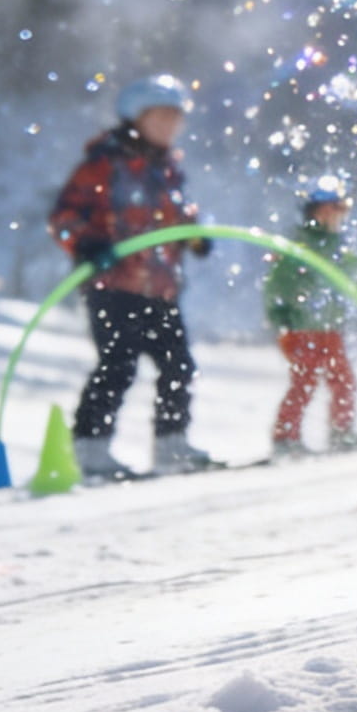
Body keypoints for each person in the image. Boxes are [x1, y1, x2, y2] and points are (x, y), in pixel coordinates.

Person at [48, 73, 216, 477]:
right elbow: (65, 217)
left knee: (178, 365)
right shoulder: (106, 162)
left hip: (161, 288)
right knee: (117, 364)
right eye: (160, 117)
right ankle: (90, 447)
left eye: (175, 119)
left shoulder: (170, 169)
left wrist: (194, 235)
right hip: (113, 286)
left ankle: (171, 444)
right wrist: (86, 243)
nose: (169, 127)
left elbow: (179, 214)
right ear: (135, 118)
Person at [263, 177, 357, 459]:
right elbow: (277, 285)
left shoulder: (337, 245)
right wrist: (283, 322)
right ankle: (285, 437)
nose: (339, 216)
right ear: (317, 210)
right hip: (302, 328)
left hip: (330, 328)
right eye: (333, 209)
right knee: (304, 381)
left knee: (343, 380)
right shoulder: (301, 246)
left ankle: (341, 431)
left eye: (342, 210)